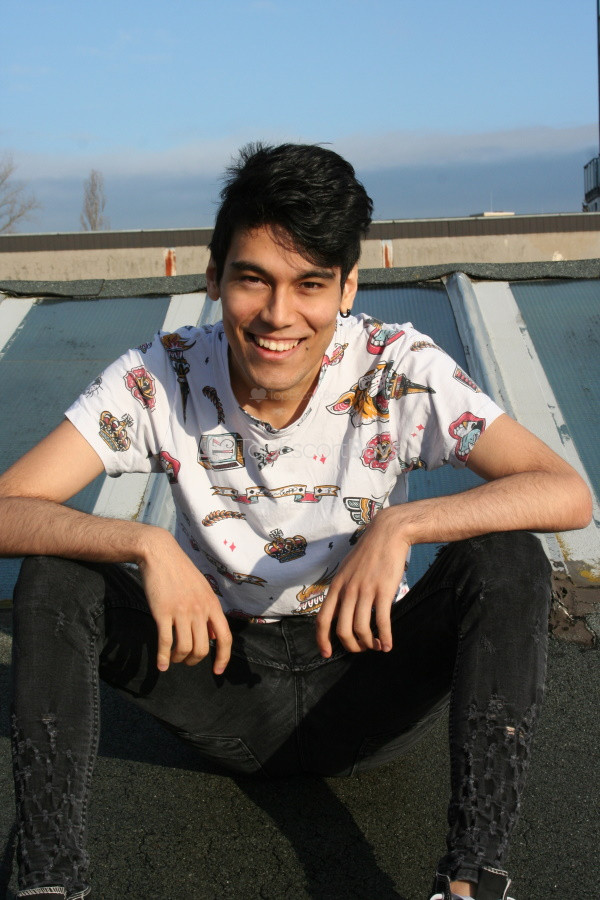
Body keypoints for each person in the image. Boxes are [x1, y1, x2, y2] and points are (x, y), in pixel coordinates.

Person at [0, 143, 591, 900]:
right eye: (253, 279)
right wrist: (142, 543)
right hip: (218, 676)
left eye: (310, 283)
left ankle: (472, 882)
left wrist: (402, 528)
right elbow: (9, 504)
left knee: (508, 559)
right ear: (213, 277)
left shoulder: (395, 366)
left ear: (348, 285)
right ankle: (49, 883)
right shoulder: (159, 375)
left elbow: (565, 492)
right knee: (57, 570)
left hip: (364, 674)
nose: (279, 316)